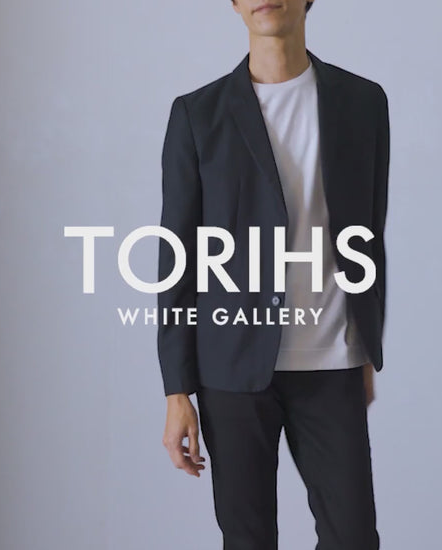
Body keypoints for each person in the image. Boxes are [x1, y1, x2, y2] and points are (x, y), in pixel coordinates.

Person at [157, 1, 390, 548]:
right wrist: (176, 390)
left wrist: (365, 343)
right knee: (248, 539)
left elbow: (368, 234)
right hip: (232, 368)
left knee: (353, 536)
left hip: (332, 361)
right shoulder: (198, 115)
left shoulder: (362, 102)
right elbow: (178, 259)